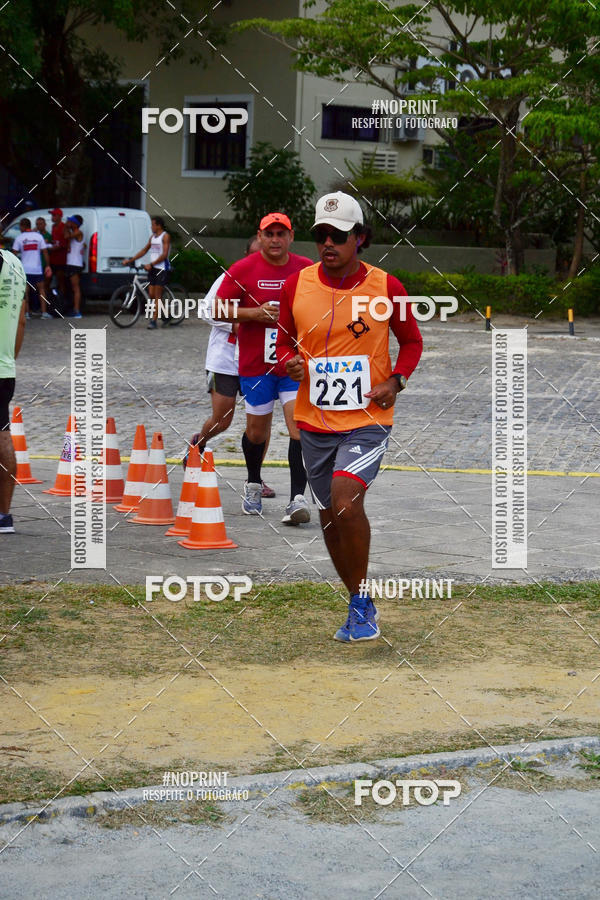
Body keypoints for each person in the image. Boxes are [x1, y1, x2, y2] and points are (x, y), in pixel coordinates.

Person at [276, 191, 423, 641]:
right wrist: (288, 363)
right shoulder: (295, 285)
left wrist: (395, 381)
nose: (328, 244)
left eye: (338, 236)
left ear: (360, 238)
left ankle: (359, 605)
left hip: (367, 421)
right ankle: (359, 601)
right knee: (328, 516)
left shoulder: (386, 286)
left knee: (344, 500)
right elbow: (283, 343)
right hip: (313, 422)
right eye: (322, 235)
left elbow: (412, 342)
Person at [215, 212, 313, 523]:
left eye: (280, 234)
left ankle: (298, 497)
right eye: (269, 234)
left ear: (291, 237)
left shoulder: (306, 268)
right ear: (259, 237)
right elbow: (216, 307)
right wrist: (254, 314)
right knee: (257, 432)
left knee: (299, 427)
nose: (274, 240)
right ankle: (253, 482)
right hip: (256, 364)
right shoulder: (243, 269)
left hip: (294, 364)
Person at [183, 236, 276, 498]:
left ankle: (255, 479)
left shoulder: (275, 280)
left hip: (258, 360)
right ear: (246, 254)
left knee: (260, 422)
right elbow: (206, 310)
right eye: (256, 254)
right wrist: (238, 323)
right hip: (225, 360)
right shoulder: (232, 277)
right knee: (222, 419)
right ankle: (198, 442)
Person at [0, 249, 27, 533]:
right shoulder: (15, 263)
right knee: (3, 433)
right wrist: (10, 357)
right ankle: (4, 515)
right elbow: (21, 319)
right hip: (5, 367)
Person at [123, 216, 171, 330]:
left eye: (153, 224)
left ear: (158, 225)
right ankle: (166, 315)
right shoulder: (153, 237)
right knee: (152, 295)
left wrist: (152, 264)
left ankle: (153, 321)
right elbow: (144, 250)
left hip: (162, 269)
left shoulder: (165, 236)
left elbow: (164, 254)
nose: (151, 227)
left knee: (157, 297)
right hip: (153, 269)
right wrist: (130, 260)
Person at [11, 218, 52, 319]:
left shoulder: (19, 238)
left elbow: (13, 254)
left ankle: (26, 313)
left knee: (25, 292)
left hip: (25, 269)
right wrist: (47, 266)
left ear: (22, 226)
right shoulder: (38, 236)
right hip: (37, 269)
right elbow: (45, 252)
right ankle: (44, 313)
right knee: (41, 290)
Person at [64, 214, 85, 318]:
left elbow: (66, 236)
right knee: (71, 288)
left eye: (70, 222)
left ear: (75, 224)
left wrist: (65, 227)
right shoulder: (74, 233)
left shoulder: (78, 232)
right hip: (71, 263)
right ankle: (72, 309)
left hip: (75, 264)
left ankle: (77, 311)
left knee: (76, 288)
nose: (68, 223)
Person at [48, 208, 68, 313]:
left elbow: (63, 244)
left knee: (61, 282)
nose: (52, 217)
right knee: (49, 281)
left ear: (60, 216)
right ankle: (51, 304)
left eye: (54, 215)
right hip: (52, 260)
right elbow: (55, 241)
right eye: (52, 215)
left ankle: (61, 304)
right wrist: (49, 242)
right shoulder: (53, 227)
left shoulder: (63, 227)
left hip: (61, 260)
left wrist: (51, 248)